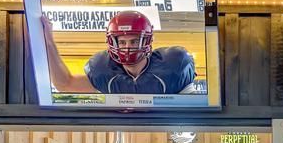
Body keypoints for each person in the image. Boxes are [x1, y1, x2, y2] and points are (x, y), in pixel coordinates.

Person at [39, 10, 196, 95]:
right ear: (113, 42)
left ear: (147, 41)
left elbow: (196, 109)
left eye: (134, 41)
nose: (127, 48)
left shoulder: (173, 67)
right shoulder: (104, 72)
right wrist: (48, 42)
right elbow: (64, 84)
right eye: (122, 42)